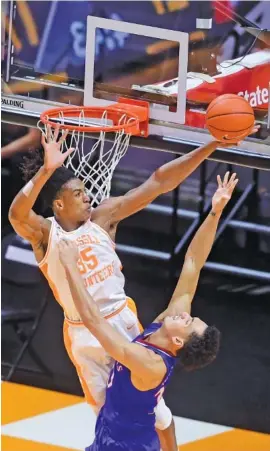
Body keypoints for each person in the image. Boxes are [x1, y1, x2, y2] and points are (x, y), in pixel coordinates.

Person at [8, 122, 252, 450]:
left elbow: (159, 182)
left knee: (155, 407)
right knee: (111, 418)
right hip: (83, 333)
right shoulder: (45, 235)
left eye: (85, 191)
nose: (89, 196)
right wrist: (46, 171)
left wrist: (211, 145)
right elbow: (16, 214)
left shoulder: (103, 218)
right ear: (59, 204)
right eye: (79, 194)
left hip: (119, 318)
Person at [58, 171, 238, 450]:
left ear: (178, 341)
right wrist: (215, 211)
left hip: (121, 447)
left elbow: (93, 321)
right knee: (163, 418)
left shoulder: (149, 364)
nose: (184, 314)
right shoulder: (163, 331)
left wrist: (70, 265)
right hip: (117, 436)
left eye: (188, 321)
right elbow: (193, 262)